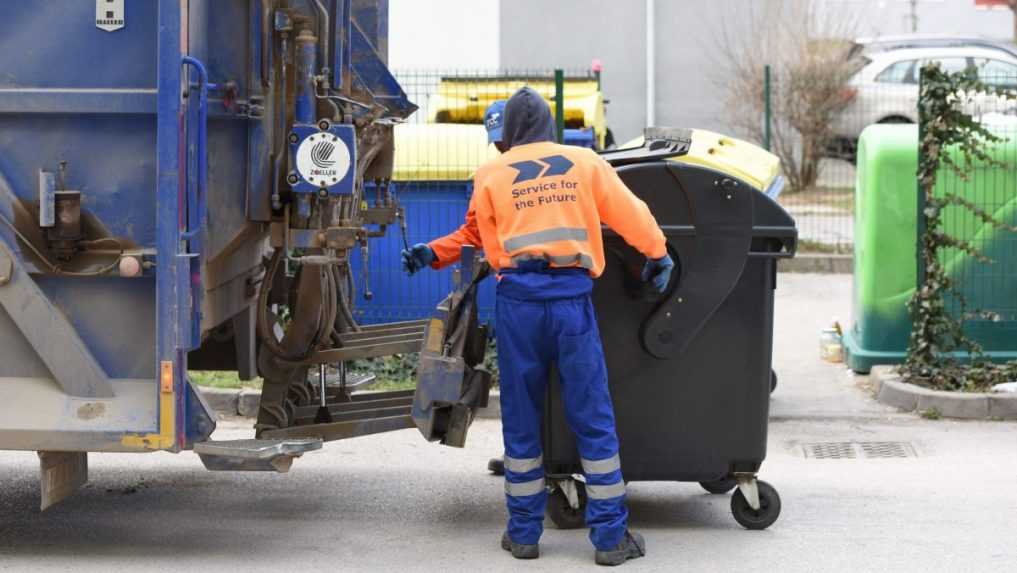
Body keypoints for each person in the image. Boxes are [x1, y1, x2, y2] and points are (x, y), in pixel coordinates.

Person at [401, 87, 673, 567]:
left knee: (522, 416)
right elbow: (633, 215)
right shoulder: (583, 163)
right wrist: (658, 253)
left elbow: (473, 235)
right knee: (592, 416)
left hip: (519, 306)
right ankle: (610, 539)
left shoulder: (490, 174)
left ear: (509, 132)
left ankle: (523, 535)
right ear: (550, 126)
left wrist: (431, 252)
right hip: (571, 302)